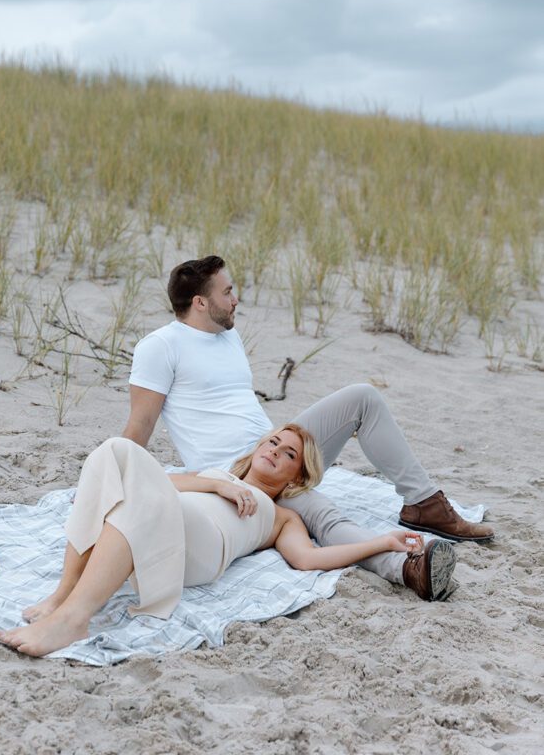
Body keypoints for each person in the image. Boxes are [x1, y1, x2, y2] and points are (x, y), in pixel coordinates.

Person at [123, 256, 493, 600]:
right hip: (242, 470)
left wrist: (284, 444)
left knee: (362, 397)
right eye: (227, 292)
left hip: (275, 443)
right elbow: (141, 422)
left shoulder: (227, 335)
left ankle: (425, 504)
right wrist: (117, 475)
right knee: (319, 513)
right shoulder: (160, 347)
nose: (236, 299)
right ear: (200, 303)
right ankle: (405, 567)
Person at [0, 425, 450, 657]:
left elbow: (311, 560)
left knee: (135, 486)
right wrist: (218, 486)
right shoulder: (213, 478)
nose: (274, 450)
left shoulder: (282, 516)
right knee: (114, 453)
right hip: (154, 523)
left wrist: (381, 543)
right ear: (256, 448)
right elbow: (161, 483)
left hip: (198, 549)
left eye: (288, 453)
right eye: (272, 442)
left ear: (298, 475)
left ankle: (74, 615)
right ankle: (62, 596)